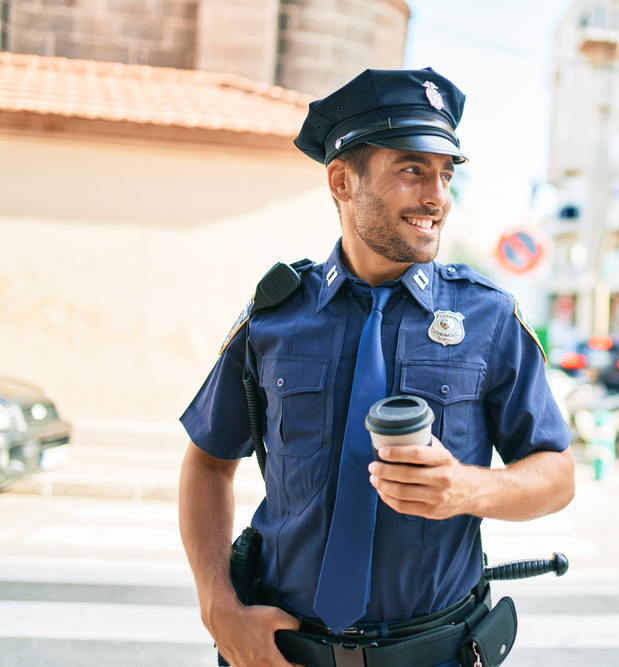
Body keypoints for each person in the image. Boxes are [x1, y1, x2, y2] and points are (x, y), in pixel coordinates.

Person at [177, 67, 575, 667]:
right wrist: (217, 603)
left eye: (445, 174)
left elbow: (557, 473)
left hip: (435, 653)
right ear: (342, 180)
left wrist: (469, 488)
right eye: (412, 170)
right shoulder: (273, 319)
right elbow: (208, 461)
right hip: (285, 654)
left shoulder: (489, 319)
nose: (437, 196)